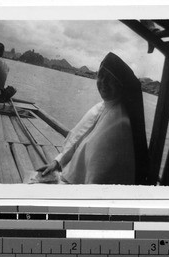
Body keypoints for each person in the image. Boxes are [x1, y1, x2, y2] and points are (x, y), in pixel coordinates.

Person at [37, 52, 150, 185]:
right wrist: (57, 162)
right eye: (100, 76)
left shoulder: (120, 125)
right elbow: (78, 137)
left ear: (121, 85)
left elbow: (98, 180)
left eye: (110, 79)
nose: (103, 82)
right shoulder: (103, 107)